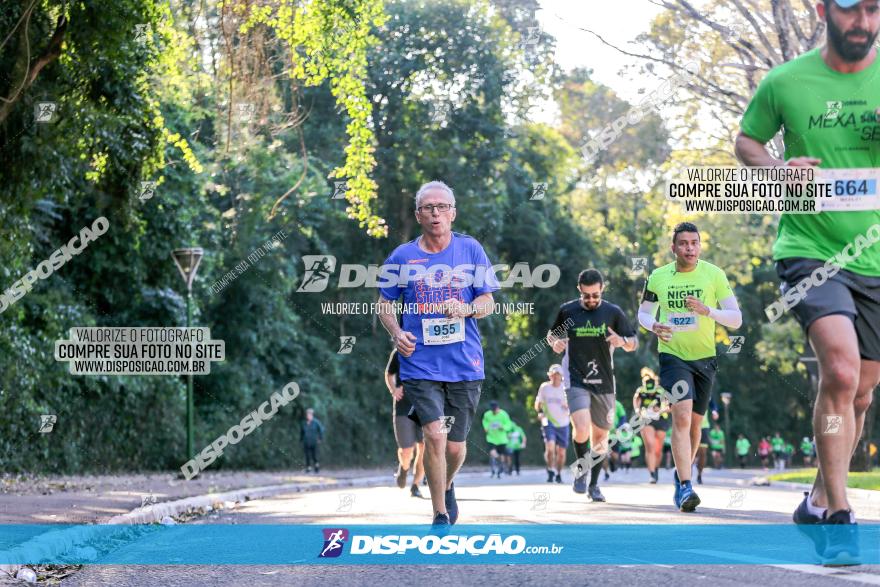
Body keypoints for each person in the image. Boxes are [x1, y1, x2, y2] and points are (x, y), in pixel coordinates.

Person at [735, 0, 880, 547]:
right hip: (810, 248)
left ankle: (818, 496)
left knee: (861, 394)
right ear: (822, 10)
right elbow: (745, 139)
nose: (862, 23)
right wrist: (775, 172)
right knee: (841, 373)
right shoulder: (786, 81)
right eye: (850, 11)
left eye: (872, 10)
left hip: (876, 256)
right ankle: (840, 516)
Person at [376, 180, 499, 528]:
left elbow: (488, 301)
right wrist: (397, 333)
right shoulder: (402, 257)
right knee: (433, 434)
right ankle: (439, 514)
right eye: (429, 207)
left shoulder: (470, 250)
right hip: (420, 362)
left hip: (464, 363)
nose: (436, 213)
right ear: (418, 215)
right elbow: (385, 304)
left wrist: (465, 309)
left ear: (453, 213)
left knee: (456, 448)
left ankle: (445, 485)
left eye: (442, 207)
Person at [639, 222, 742, 512]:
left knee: (696, 425)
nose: (689, 248)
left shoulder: (714, 274)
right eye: (683, 243)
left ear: (699, 245)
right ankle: (686, 486)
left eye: (694, 243)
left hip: (705, 358)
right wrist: (654, 325)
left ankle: (680, 472)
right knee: (681, 418)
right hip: (672, 356)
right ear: (673, 247)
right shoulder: (658, 277)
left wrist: (707, 310)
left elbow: (736, 319)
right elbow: (643, 314)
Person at [547, 268, 639, 503]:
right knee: (581, 427)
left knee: (600, 439)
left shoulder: (613, 312)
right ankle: (581, 471)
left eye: (595, 295)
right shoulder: (568, 311)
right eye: (586, 295)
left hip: (605, 382)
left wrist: (623, 341)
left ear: (602, 290)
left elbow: (634, 342)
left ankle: (594, 485)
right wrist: (555, 342)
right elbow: (551, 336)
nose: (591, 300)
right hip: (575, 377)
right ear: (580, 290)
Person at [386, 349, 425, 497]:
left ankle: (415, 485)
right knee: (407, 450)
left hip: (424, 407)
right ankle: (404, 467)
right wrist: (393, 390)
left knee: (424, 447)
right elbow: (389, 374)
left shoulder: (429, 349)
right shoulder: (399, 353)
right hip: (403, 407)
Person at [633, 367, 670, 484]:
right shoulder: (640, 391)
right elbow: (636, 401)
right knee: (650, 445)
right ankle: (652, 473)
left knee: (658, 450)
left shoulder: (661, 391)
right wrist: (638, 410)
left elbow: (668, 406)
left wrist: (660, 409)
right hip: (646, 420)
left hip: (660, 420)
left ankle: (656, 468)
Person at [534, 364, 570, 483]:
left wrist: (568, 408)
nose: (555, 378)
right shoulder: (544, 387)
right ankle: (550, 470)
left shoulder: (566, 388)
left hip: (564, 422)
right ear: (550, 376)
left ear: (562, 377)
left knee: (561, 452)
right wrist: (539, 412)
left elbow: (574, 404)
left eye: (558, 375)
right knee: (550, 448)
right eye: (553, 375)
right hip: (548, 421)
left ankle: (558, 473)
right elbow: (538, 403)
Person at [483, 401, 513, 478]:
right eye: (493, 410)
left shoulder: (503, 414)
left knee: (502, 454)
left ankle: (500, 468)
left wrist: (502, 427)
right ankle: (498, 464)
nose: (494, 411)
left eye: (495, 409)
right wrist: (486, 428)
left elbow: (508, 424)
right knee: (492, 453)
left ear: (498, 408)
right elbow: (485, 422)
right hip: (491, 438)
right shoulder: (487, 414)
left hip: (502, 439)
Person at [301, 408, 324, 473]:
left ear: (312, 415)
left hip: (314, 442)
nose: (308, 415)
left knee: (314, 456)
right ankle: (308, 468)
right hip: (306, 442)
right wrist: (301, 439)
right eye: (307, 414)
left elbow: (321, 430)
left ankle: (317, 467)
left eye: (309, 414)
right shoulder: (304, 423)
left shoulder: (316, 422)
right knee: (307, 455)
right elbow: (302, 432)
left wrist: (320, 438)